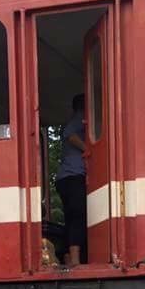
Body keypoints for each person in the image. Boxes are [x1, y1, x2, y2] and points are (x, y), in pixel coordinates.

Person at [56, 93, 87, 266]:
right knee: (78, 215)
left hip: (65, 178)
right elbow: (69, 134)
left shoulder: (78, 119)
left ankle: (68, 257)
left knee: (70, 216)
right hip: (74, 176)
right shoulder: (80, 118)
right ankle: (75, 260)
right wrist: (88, 149)